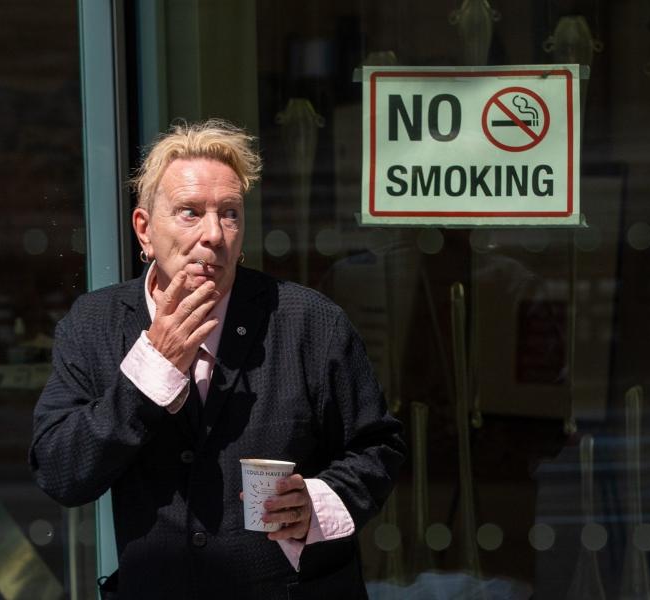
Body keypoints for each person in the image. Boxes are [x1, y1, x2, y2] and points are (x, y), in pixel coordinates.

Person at [30, 119, 406, 599]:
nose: (214, 234)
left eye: (229, 213)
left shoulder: (309, 321)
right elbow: (61, 472)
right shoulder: (95, 324)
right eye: (190, 212)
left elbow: (378, 447)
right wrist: (149, 372)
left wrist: (319, 501)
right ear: (144, 229)